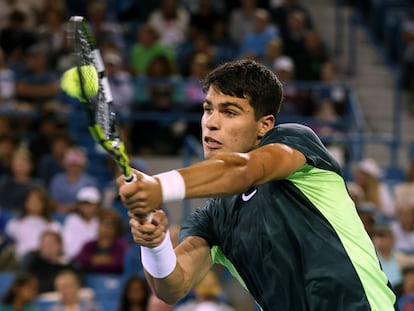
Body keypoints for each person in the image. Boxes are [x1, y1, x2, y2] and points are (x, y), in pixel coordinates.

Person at [118, 59, 396, 310]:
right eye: (208, 109)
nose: (211, 123)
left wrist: (159, 185)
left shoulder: (295, 143)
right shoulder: (213, 219)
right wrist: (155, 245)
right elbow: (172, 287)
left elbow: (242, 171)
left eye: (229, 112)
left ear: (265, 125)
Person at [74, 209, 129, 274]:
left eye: (109, 224)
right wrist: (105, 260)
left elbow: (118, 263)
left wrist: (93, 261)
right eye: (102, 223)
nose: (104, 227)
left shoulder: (121, 244)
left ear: (116, 228)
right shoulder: (90, 244)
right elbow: (80, 259)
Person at [62, 186, 101, 259]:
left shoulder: (101, 221)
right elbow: (67, 243)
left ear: (97, 205)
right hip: (72, 259)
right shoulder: (71, 219)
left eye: (90, 204)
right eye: (84, 204)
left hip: (92, 260)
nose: (87, 207)